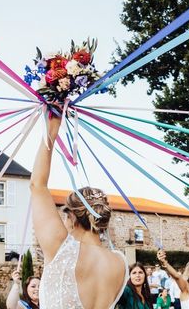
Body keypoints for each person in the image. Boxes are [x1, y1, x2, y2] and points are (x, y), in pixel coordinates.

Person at [31, 111, 128, 308]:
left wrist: (52, 128)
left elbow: (37, 185)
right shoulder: (120, 263)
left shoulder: (61, 248)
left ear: (72, 217)